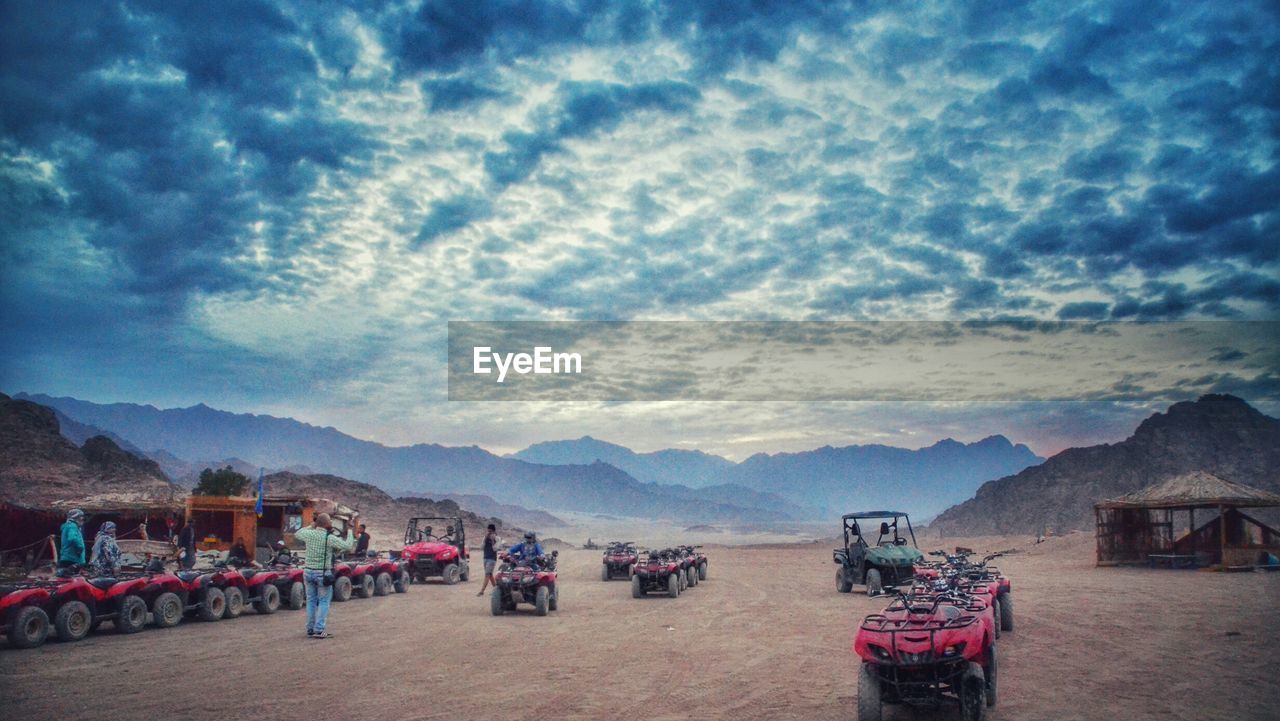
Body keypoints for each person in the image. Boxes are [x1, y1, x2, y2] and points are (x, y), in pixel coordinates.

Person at [293, 512, 355, 639]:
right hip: (322, 573)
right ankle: (319, 629)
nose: (331, 524)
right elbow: (348, 546)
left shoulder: (309, 534)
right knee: (323, 601)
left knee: (310, 601)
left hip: (308, 571)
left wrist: (311, 526)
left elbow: (297, 533)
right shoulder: (329, 538)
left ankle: (310, 629)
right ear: (326, 524)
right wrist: (349, 531)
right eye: (330, 522)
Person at [58, 508, 86, 577]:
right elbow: (72, 538)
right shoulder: (72, 526)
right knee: (71, 580)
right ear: (76, 518)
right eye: (81, 517)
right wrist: (80, 548)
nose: (82, 520)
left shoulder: (69, 526)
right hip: (72, 558)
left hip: (68, 557)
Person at [477, 523, 500, 597]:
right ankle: (497, 589)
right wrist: (485, 539)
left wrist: (493, 541)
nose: (489, 533)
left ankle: (482, 591)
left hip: (492, 559)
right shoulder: (485, 537)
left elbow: (495, 549)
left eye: (490, 531)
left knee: (487, 574)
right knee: (490, 574)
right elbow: (481, 547)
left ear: (493, 531)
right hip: (485, 558)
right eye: (488, 531)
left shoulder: (497, 538)